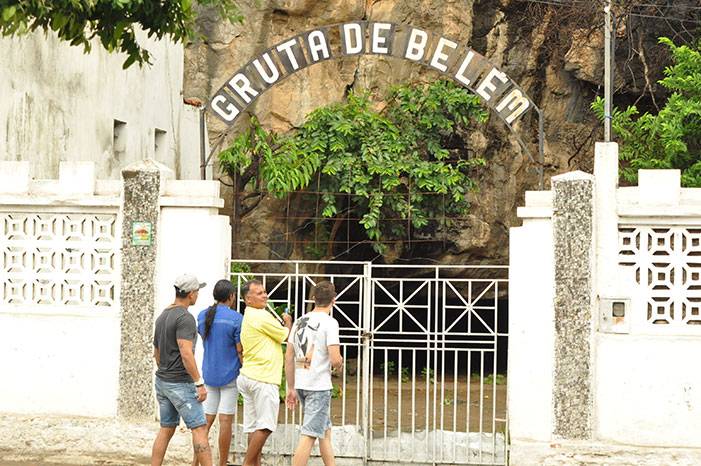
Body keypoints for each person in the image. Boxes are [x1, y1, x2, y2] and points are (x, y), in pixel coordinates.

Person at [152, 274, 211, 466]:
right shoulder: (185, 318)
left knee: (166, 429)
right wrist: (199, 382)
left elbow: (157, 353)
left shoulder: (163, 316)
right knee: (200, 429)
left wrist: (166, 372)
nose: (198, 296)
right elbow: (186, 352)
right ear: (191, 294)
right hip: (180, 382)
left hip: (163, 380)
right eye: (197, 292)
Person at [285, 281, 343, 466]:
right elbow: (335, 358)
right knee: (310, 434)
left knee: (324, 430)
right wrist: (339, 365)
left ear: (313, 299)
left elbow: (289, 356)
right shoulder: (330, 323)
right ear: (334, 300)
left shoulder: (300, 321)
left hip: (302, 384)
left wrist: (291, 387)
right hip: (318, 386)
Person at [237, 279, 293, 466]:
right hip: (263, 378)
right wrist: (288, 322)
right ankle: (247, 463)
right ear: (248, 299)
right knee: (266, 426)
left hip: (249, 376)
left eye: (265, 292)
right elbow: (285, 335)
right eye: (260, 293)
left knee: (254, 428)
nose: (265, 295)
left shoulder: (249, 315)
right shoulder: (260, 316)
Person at [193, 279, 243, 466]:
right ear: (231, 297)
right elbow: (239, 349)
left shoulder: (202, 316)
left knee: (204, 424)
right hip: (229, 376)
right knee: (225, 422)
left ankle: (195, 462)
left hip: (209, 374)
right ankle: (222, 463)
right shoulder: (237, 318)